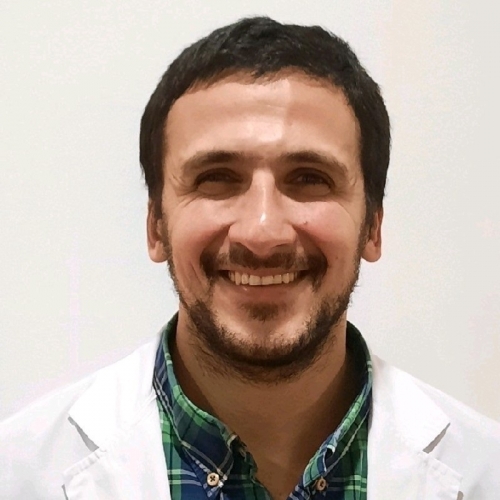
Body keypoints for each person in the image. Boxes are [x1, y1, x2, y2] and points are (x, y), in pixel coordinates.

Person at [1, 16, 499, 500]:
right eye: (216, 178)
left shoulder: (486, 469)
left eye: (310, 178)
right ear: (156, 226)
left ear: (372, 226)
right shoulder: (18, 474)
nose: (263, 233)